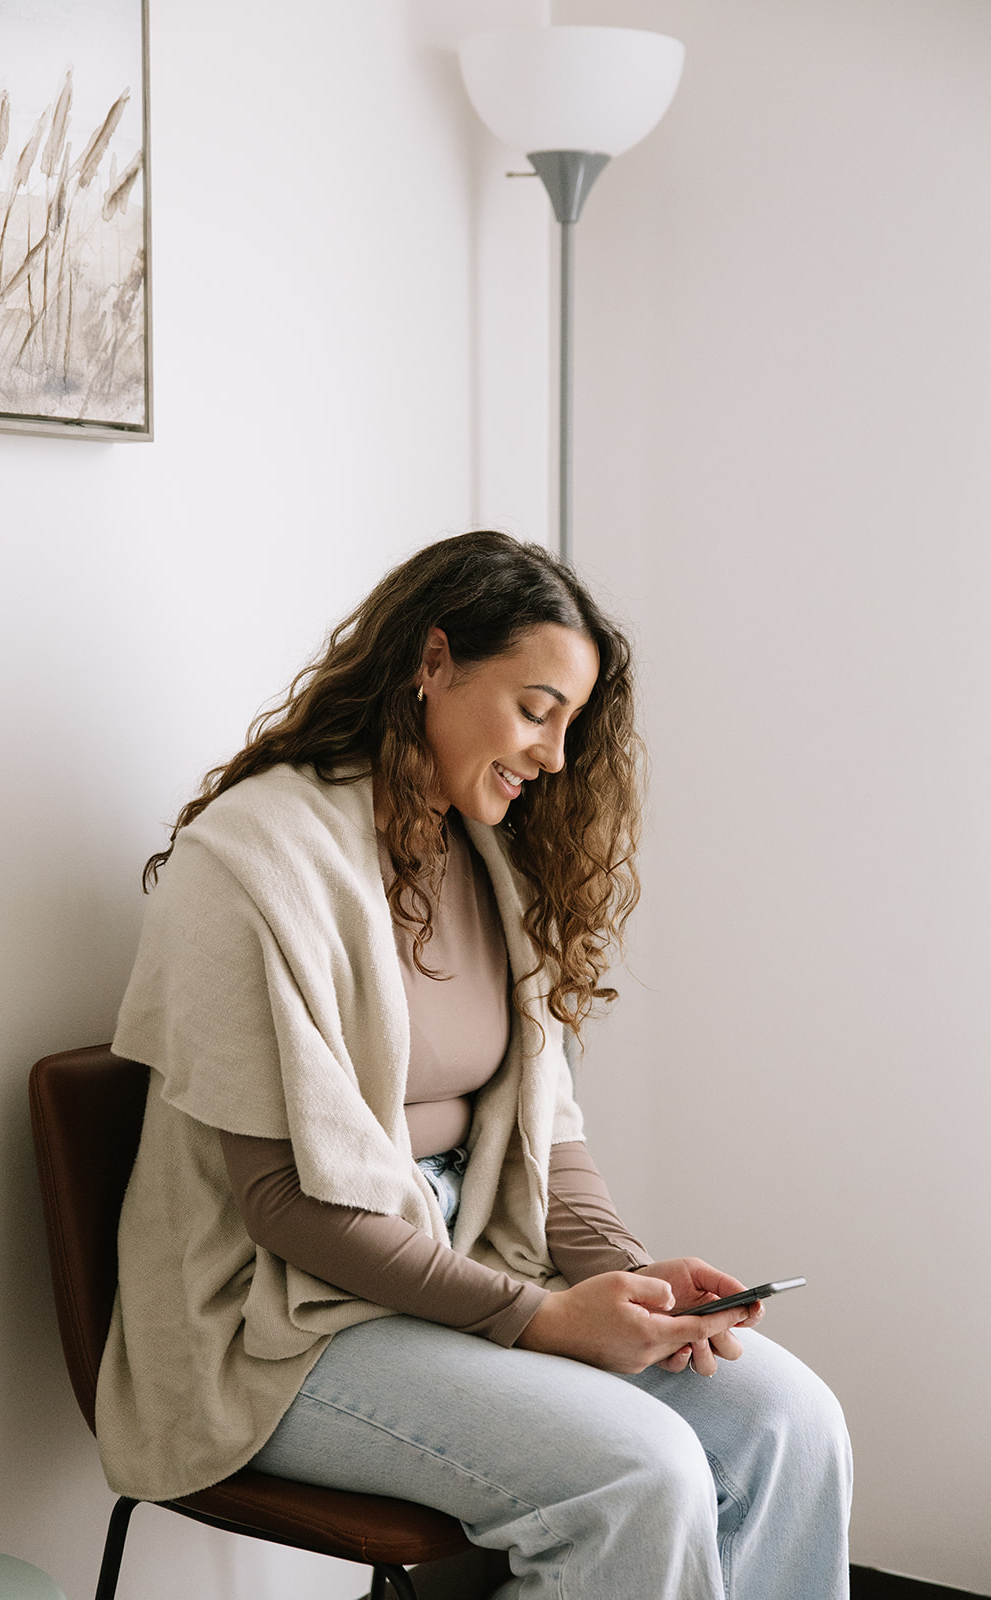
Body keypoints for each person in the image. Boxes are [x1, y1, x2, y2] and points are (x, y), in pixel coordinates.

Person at [97, 531, 852, 1600]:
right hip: (283, 1319)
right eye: (536, 708)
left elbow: (544, 1130)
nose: (552, 753)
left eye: (569, 724)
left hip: (465, 1266)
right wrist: (540, 1317)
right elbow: (283, 1207)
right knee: (639, 1474)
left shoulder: (483, 851)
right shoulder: (250, 861)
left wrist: (615, 1279)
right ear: (434, 661)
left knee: (789, 1424)